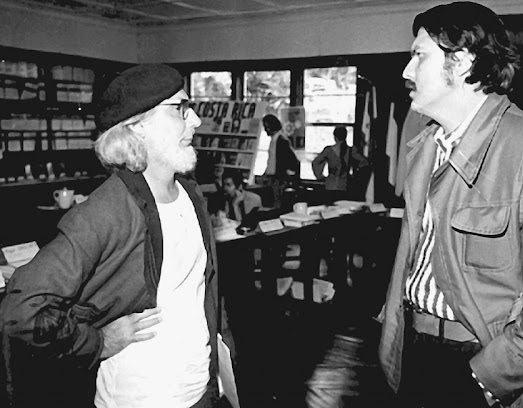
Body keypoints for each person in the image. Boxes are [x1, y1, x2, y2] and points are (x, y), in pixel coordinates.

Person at [378, 2, 523, 407]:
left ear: (461, 62)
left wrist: (485, 378)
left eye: (419, 56)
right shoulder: (425, 148)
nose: (406, 71)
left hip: (485, 363)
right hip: (419, 349)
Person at [0, 64, 236, 408]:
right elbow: (21, 311)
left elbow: (205, 292)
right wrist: (98, 342)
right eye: (180, 108)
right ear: (137, 126)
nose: (196, 120)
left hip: (202, 391)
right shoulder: (106, 210)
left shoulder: (190, 194)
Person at [311, 126, 369, 203]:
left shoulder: (328, 150)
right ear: (345, 136)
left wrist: (320, 176)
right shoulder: (351, 150)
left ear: (335, 137)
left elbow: (316, 162)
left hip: (330, 185)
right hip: (345, 185)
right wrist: (355, 175)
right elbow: (364, 162)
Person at [262, 114, 299, 208]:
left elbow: (292, 161)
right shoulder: (275, 140)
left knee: (277, 203)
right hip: (274, 177)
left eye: (267, 127)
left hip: (279, 178)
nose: (266, 130)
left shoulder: (282, 140)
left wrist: (285, 176)